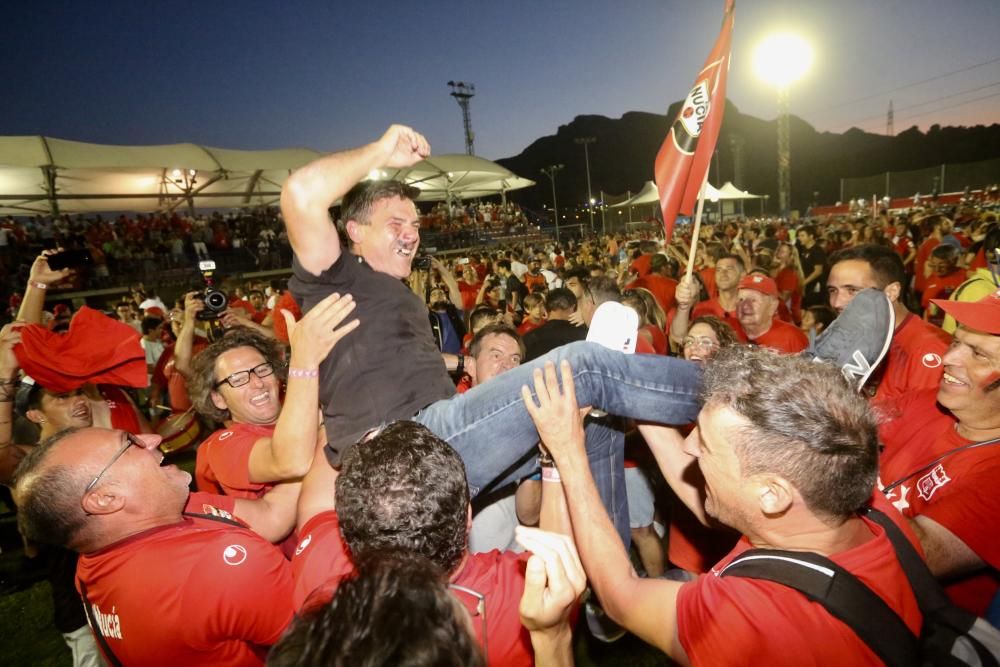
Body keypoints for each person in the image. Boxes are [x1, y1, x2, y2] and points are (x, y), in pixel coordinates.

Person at [530, 351, 922, 665]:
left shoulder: (753, 618)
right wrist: (639, 402)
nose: (688, 446)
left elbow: (620, 596)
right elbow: (724, 511)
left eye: (707, 446)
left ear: (772, 493)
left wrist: (568, 452)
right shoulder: (872, 514)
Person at [13, 427, 296, 666]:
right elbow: (328, 639)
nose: (152, 438)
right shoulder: (216, 568)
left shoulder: (106, 551)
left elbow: (272, 514)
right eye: (129, 443)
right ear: (106, 498)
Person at [878, 289, 1000, 617]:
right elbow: (851, 419)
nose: (949, 358)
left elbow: (914, 554)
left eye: (978, 354)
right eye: (956, 342)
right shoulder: (930, 401)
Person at [190, 293, 357, 504]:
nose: (257, 382)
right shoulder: (220, 448)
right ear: (218, 399)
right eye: (239, 379)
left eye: (262, 369)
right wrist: (303, 360)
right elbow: (290, 461)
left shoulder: (307, 410)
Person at [826, 243, 950, 404]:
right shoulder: (848, 338)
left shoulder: (931, 349)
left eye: (852, 290)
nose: (837, 302)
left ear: (891, 292)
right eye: (832, 290)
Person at [735, 273, 808, 353]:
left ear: (773, 306)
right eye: (741, 299)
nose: (745, 306)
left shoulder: (793, 338)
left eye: (753, 301)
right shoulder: (725, 330)